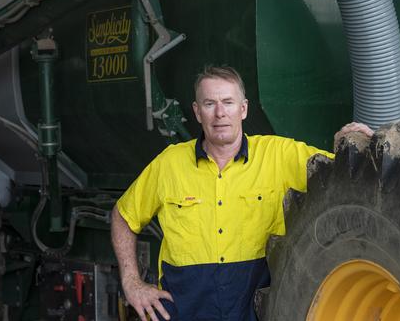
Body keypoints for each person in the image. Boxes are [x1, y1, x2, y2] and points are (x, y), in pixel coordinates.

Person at [111, 66, 374, 321]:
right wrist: (132, 283)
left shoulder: (279, 156)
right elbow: (124, 216)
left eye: (228, 102)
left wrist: (345, 141)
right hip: (184, 312)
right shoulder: (168, 165)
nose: (220, 113)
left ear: (243, 109)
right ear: (197, 112)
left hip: (256, 314)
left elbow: (338, 174)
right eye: (209, 104)